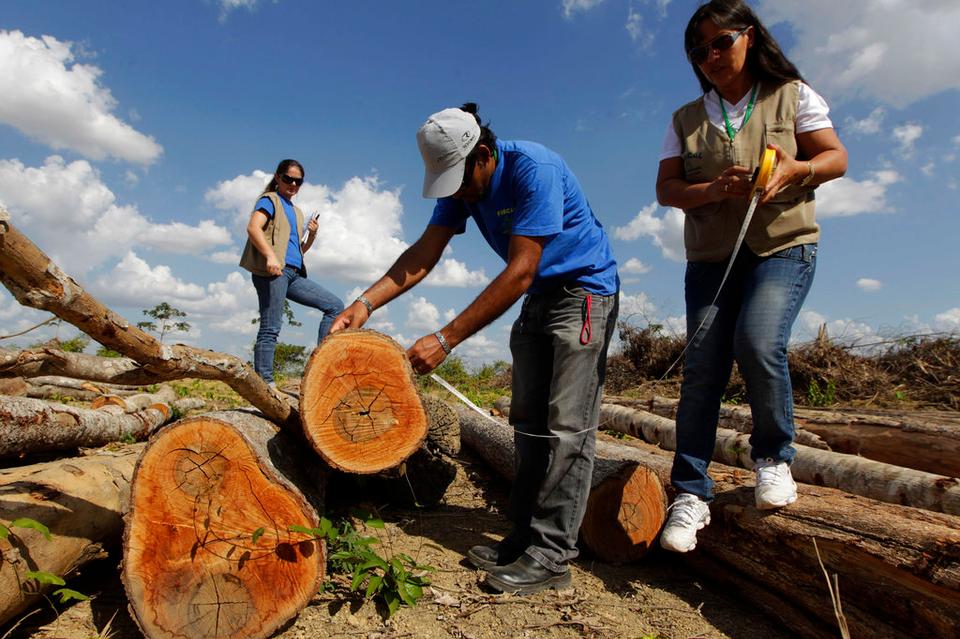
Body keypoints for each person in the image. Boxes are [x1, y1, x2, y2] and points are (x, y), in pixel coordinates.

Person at [330, 104, 620, 594]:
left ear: (483, 155)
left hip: (583, 293)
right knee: (527, 423)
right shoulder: (462, 183)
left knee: (567, 425)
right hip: (538, 295)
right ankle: (526, 536)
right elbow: (423, 254)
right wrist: (364, 303)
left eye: (463, 183)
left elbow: (522, 268)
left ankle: (552, 556)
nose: (460, 195)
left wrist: (446, 338)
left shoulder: (534, 170)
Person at [655, 0, 847, 552]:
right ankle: (690, 493)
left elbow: (835, 157)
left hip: (782, 247)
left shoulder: (793, 95)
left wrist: (797, 168)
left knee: (758, 342)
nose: (711, 55)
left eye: (721, 42)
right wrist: (713, 189)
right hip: (712, 260)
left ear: (750, 36)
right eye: (700, 49)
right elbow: (667, 190)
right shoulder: (686, 119)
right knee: (702, 371)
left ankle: (773, 458)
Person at [239, 159, 344, 386]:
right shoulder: (270, 200)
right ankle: (265, 383)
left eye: (298, 181)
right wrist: (269, 256)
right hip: (274, 273)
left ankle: (319, 369)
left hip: (295, 273)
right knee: (271, 327)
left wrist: (312, 235)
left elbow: (299, 251)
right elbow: (253, 227)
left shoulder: (296, 212)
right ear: (278, 177)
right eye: (289, 179)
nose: (293, 184)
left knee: (335, 306)